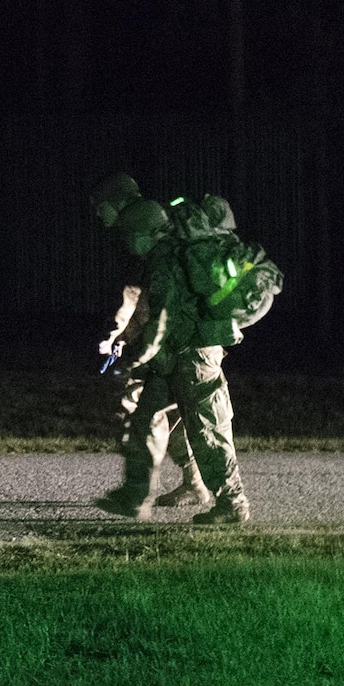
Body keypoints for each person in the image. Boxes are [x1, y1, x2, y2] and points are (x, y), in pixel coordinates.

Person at [94, 198, 252, 525]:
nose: (126, 241)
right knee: (145, 420)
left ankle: (233, 504)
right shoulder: (163, 256)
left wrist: (139, 359)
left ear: (145, 233)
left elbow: (162, 320)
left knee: (208, 431)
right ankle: (136, 497)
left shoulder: (166, 261)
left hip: (194, 356)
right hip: (173, 358)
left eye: (130, 234)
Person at [88, 174, 207, 509]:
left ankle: (140, 495)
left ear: (117, 202)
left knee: (145, 413)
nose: (99, 213)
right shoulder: (147, 223)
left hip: (170, 342)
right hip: (174, 340)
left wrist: (132, 340)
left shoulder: (143, 226)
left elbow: (151, 293)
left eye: (102, 206)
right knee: (179, 414)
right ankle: (192, 484)